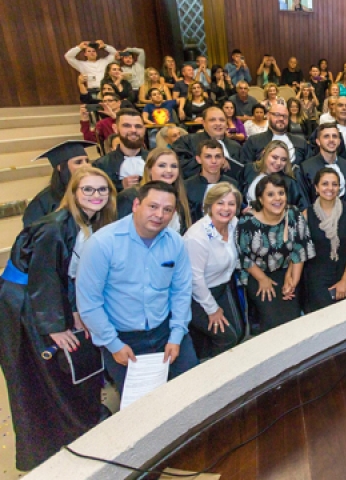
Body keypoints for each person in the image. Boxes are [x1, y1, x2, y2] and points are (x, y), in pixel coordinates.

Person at [0, 167, 116, 471]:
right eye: (88, 189)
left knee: (65, 371)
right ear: (74, 193)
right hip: (25, 305)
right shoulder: (54, 227)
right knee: (40, 375)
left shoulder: (87, 223)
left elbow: (67, 274)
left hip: (45, 297)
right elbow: (44, 278)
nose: (96, 196)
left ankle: (78, 424)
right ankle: (46, 446)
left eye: (102, 190)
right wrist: (56, 326)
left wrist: (75, 312)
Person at [78, 180, 198, 395]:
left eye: (167, 209)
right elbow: (89, 303)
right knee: (144, 409)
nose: (159, 214)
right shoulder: (102, 244)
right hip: (123, 338)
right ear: (136, 205)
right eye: (153, 206)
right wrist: (113, 344)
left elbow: (181, 291)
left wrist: (176, 334)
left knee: (192, 392)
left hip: (165, 331)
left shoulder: (175, 243)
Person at [237, 174, 313, 334]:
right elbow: (244, 257)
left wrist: (293, 281)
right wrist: (263, 279)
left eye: (281, 193)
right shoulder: (247, 222)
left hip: (288, 269)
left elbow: (300, 249)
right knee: (273, 323)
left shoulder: (294, 214)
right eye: (270, 194)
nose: (277, 198)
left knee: (292, 321)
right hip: (258, 275)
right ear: (260, 198)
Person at [184, 183, 244, 359]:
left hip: (222, 286)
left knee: (239, 332)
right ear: (209, 205)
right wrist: (212, 309)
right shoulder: (197, 237)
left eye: (231, 204)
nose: (226, 209)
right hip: (196, 295)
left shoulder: (233, 224)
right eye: (220, 203)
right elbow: (196, 280)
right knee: (227, 337)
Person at [302, 168, 346, 312]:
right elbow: (300, 251)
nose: (330, 188)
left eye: (334, 184)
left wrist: (345, 280)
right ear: (316, 188)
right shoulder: (305, 214)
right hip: (317, 280)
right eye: (325, 184)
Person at [116, 148, 192, 234]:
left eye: (174, 166)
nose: (169, 170)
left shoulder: (180, 198)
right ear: (149, 169)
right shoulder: (129, 197)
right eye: (162, 165)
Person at [23, 141, 95, 228]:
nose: (86, 166)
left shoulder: (97, 192)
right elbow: (34, 236)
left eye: (87, 161)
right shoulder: (42, 202)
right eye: (78, 162)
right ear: (60, 167)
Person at [173, 106, 244, 181]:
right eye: (212, 120)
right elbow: (177, 166)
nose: (218, 123)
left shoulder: (236, 147)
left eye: (222, 120)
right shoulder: (187, 141)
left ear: (226, 124)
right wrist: (210, 162)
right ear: (203, 123)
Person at [299, 122, 346, 206]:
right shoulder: (306, 168)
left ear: (339, 141)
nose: (331, 140)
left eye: (335, 136)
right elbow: (304, 202)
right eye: (326, 136)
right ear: (318, 142)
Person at [241, 140, 308, 211]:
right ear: (264, 153)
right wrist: (243, 209)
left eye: (283, 159)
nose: (278, 163)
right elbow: (238, 194)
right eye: (275, 157)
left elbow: (300, 208)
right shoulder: (249, 169)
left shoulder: (289, 182)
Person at [185, 139, 239, 223]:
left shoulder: (233, 184)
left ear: (223, 160)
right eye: (208, 156)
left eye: (218, 156)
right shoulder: (187, 187)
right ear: (198, 159)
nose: (213, 161)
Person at [94, 109, 148, 192]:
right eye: (126, 126)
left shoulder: (156, 160)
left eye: (138, 126)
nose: (133, 130)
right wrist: (120, 186)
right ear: (115, 128)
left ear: (144, 129)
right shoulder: (101, 165)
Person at [241, 103, 309, 166]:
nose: (281, 119)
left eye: (285, 116)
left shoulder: (300, 142)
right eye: (277, 115)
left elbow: (308, 167)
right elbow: (246, 167)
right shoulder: (254, 141)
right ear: (267, 115)